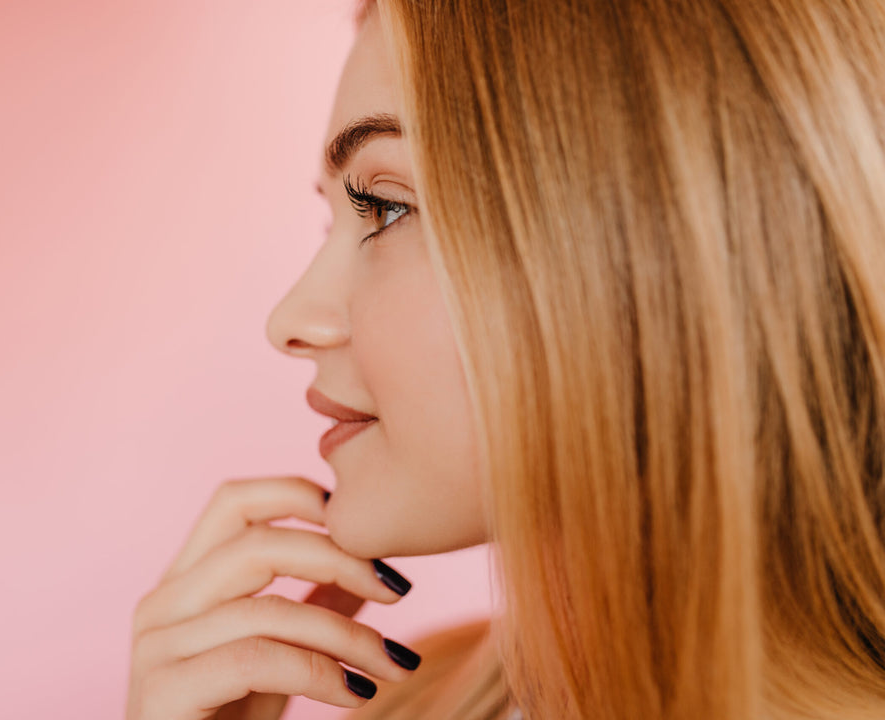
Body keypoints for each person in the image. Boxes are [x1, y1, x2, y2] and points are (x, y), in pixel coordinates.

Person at [125, 0, 885, 718]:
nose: (289, 321)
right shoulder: (405, 702)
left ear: (654, 239)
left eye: (388, 208)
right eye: (332, 222)